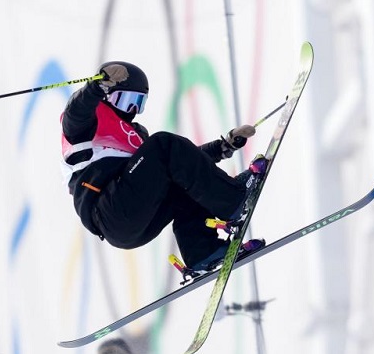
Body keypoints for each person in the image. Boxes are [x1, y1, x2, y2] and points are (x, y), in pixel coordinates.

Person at [60, 61, 267, 271]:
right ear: (106, 95)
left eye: (137, 102)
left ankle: (203, 251)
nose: (131, 109)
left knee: (183, 184)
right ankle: (233, 200)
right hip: (109, 211)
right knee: (163, 143)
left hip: (134, 222)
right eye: (124, 100)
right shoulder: (86, 124)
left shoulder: (135, 135)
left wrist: (222, 146)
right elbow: (75, 113)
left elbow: (181, 163)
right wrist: (97, 86)